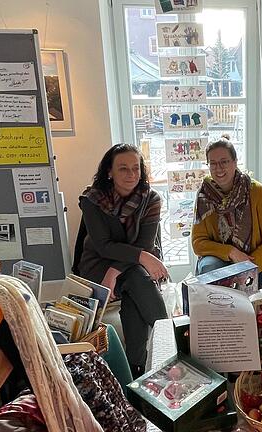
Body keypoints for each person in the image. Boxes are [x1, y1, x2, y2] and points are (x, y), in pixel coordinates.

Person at [74, 144, 168, 377]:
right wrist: (141, 258)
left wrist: (116, 271)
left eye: (136, 168)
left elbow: (145, 245)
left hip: (129, 265)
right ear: (109, 171)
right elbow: (104, 245)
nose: (131, 174)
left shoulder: (151, 199)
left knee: (134, 285)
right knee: (137, 278)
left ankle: (135, 367)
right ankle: (168, 343)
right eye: (123, 168)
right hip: (97, 263)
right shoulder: (92, 200)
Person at [192, 135, 262, 287]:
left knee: (240, 290)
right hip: (219, 259)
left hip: (253, 262)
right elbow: (198, 243)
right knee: (210, 268)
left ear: (234, 162)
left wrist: (246, 266)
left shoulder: (258, 193)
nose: (218, 168)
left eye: (224, 162)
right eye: (213, 163)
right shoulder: (204, 196)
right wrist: (231, 252)